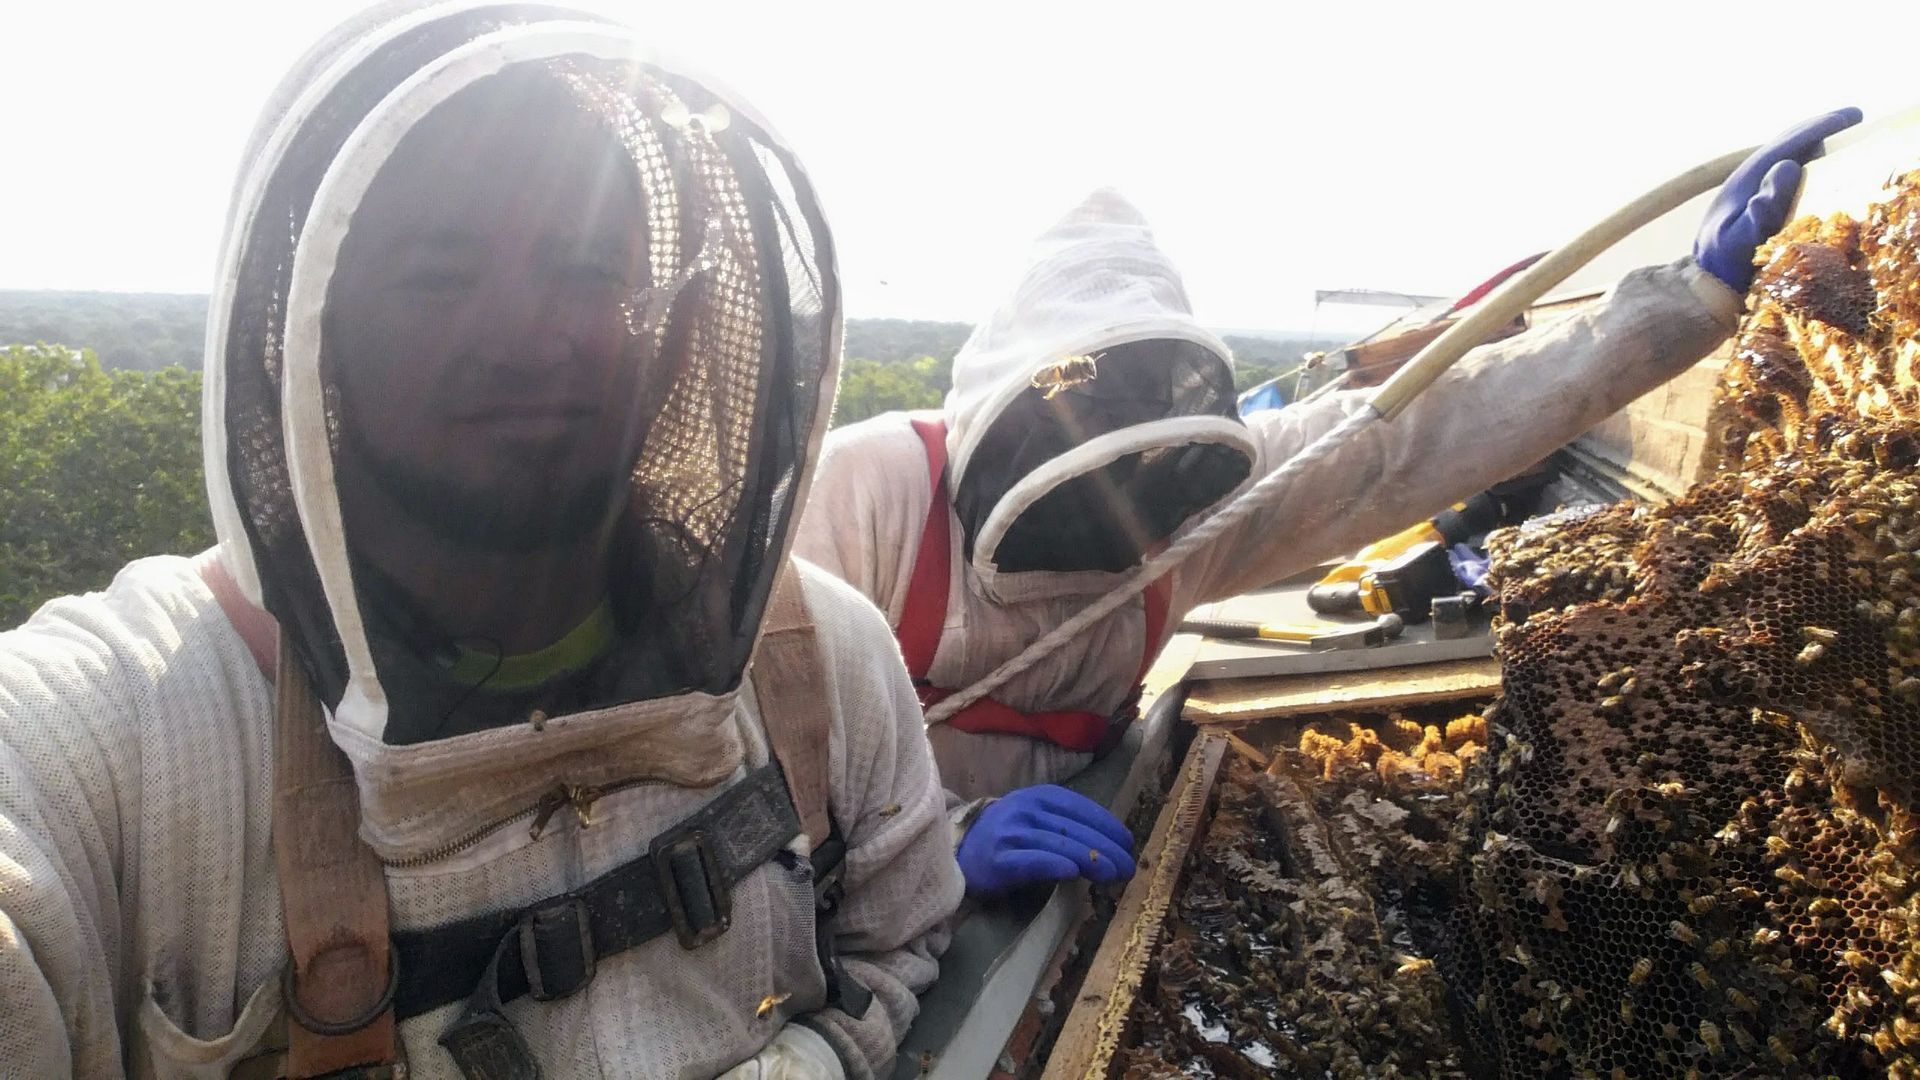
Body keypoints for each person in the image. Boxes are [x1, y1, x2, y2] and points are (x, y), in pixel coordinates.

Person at [0, 5, 962, 1078]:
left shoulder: (818, 659)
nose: (528, 338)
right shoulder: (124, 733)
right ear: (314, 333)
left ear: (664, 320)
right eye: (437, 274)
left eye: (588, 268)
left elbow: (901, 944)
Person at [794, 109, 1863, 895]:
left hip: (1059, 869)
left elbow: (1403, 440)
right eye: (1092, 464)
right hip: (857, 907)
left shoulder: (1182, 525)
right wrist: (941, 838)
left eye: (1145, 472)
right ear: (1001, 427)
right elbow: (742, 747)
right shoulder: (866, 491)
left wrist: (1688, 303)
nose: (1123, 509)